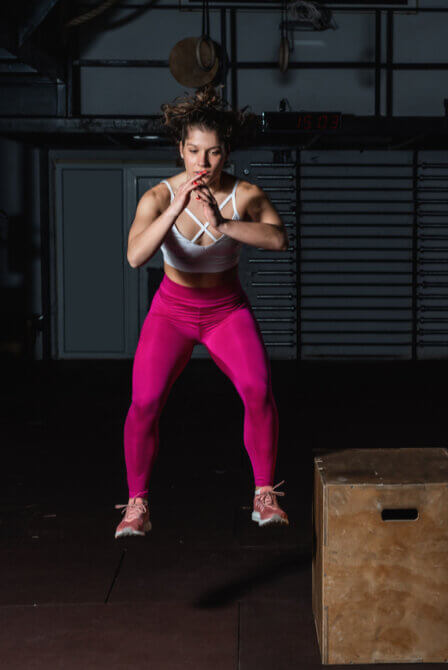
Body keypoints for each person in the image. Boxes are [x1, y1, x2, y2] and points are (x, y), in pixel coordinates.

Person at [115, 84, 289, 538]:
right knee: (146, 401)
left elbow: (277, 239)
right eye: (194, 152)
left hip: (225, 310)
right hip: (171, 313)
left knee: (257, 387)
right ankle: (137, 504)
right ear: (181, 149)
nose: (203, 164)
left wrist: (222, 224)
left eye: (213, 153)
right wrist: (174, 209)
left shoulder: (244, 194)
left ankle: (264, 494)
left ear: (226, 152)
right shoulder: (156, 198)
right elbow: (135, 257)